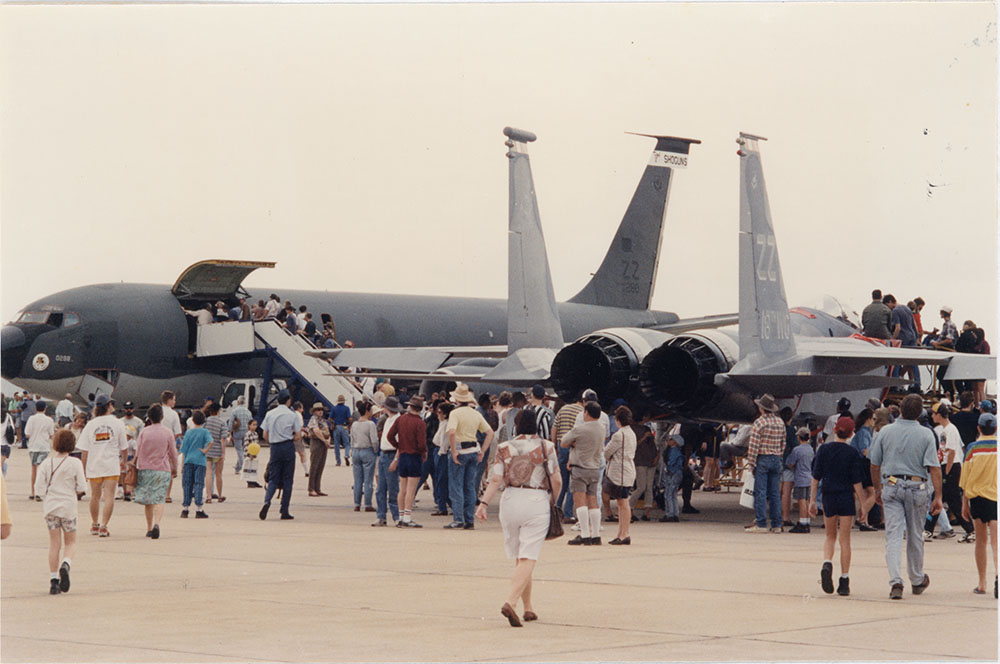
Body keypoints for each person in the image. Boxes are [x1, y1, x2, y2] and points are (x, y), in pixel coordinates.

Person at [475, 408, 561, 627]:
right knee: (529, 556)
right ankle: (510, 602)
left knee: (521, 557)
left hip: (510, 500)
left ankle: (528, 607)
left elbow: (495, 479)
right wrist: (553, 500)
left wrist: (484, 503)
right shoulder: (547, 447)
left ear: (516, 426)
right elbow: (557, 480)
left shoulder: (504, 448)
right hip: (536, 499)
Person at [869, 393, 943, 600]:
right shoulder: (927, 434)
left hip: (891, 484)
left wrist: (877, 489)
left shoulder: (885, 432)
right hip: (917, 486)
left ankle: (896, 581)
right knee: (915, 535)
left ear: (900, 410)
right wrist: (938, 496)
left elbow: (874, 464)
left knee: (892, 535)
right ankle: (917, 578)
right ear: (920, 413)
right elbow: (934, 468)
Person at [809, 416, 867, 596]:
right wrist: (863, 505)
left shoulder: (824, 450)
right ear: (851, 433)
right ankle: (844, 580)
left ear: (834, 429)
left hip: (828, 495)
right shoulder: (852, 453)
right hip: (845, 497)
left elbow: (815, 478)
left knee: (829, 536)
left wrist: (812, 500)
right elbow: (857, 482)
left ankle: (827, 563)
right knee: (845, 540)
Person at [34, 429, 87, 595]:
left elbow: (38, 489)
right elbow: (82, 487)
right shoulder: (75, 463)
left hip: (51, 507)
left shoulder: (46, 463)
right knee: (70, 542)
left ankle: (53, 580)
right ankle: (66, 563)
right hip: (68, 507)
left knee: (54, 543)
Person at [76, 395, 128, 538]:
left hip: (94, 464)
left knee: (95, 496)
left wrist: (84, 468)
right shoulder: (117, 423)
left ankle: (94, 524)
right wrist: (123, 461)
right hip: (111, 464)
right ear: (108, 406)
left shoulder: (91, 424)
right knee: (109, 496)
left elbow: (84, 450)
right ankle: (104, 526)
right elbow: (124, 447)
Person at [445, 384, 494, 530]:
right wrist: (483, 451)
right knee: (470, 486)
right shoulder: (476, 413)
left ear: (457, 399)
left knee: (456, 486)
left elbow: (452, 432)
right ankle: (469, 519)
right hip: (474, 450)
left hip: (460, 450)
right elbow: (490, 432)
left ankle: (458, 518)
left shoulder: (455, 413)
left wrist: (453, 451)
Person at [959, 412, 998, 597]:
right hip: (995, 495)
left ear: (979, 428)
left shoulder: (972, 449)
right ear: (996, 428)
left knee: (981, 542)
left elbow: (965, 479)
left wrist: (964, 503)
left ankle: (982, 582)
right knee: (996, 542)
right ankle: (998, 575)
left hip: (977, 497)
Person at [561, 401, 606, 545]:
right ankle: (596, 535)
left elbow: (563, 442)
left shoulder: (580, 428)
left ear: (586, 413)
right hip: (594, 468)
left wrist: (575, 443)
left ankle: (585, 534)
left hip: (580, 468)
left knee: (580, 502)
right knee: (593, 500)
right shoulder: (601, 428)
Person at [133, 404, 178, 539]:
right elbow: (173, 453)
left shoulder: (144, 432)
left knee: (148, 500)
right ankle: (157, 524)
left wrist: (136, 465)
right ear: (162, 417)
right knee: (159, 498)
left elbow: (138, 450)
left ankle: (148, 527)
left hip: (145, 468)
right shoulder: (168, 432)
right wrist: (175, 468)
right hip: (162, 469)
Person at [745, 394, 785, 533]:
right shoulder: (780, 422)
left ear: (761, 408)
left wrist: (751, 463)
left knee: (760, 492)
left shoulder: (759, 423)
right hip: (776, 458)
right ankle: (777, 524)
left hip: (762, 458)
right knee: (774, 493)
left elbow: (754, 445)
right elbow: (783, 443)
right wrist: (779, 455)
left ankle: (761, 523)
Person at [259, 390, 302, 521]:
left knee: (273, 477)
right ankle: (284, 510)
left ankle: (267, 501)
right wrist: (290, 438)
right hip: (287, 446)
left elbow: (265, 435)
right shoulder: (292, 415)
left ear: (278, 401)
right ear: (288, 401)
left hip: (275, 447)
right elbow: (298, 435)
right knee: (288, 479)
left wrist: (272, 442)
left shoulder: (270, 414)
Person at [387, 396, 428, 527]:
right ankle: (407, 517)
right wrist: (424, 452)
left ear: (410, 406)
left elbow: (390, 435)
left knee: (402, 489)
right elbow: (421, 443)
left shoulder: (401, 419)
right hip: (414, 456)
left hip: (403, 455)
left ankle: (400, 516)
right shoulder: (420, 423)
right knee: (411, 489)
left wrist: (398, 445)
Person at [604, 406, 636, 545]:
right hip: (628, 469)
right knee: (622, 502)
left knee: (622, 502)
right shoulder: (631, 433)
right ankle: (622, 533)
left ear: (618, 420)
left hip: (620, 472)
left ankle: (624, 533)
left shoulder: (619, 435)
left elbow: (607, 452)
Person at [552, 395, 583, 524]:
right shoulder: (581, 412)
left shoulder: (563, 409)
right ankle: (568, 513)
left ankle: (556, 510)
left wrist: (554, 445)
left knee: (562, 481)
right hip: (574, 447)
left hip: (561, 446)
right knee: (573, 483)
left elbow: (554, 429)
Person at [373, 396, 403, 527]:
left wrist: (396, 459)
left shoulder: (397, 421)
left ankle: (396, 516)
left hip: (391, 454)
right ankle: (381, 516)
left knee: (393, 488)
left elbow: (400, 442)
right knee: (381, 488)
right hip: (384, 453)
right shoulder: (387, 420)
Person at [178, 410, 211, 519]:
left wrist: (182, 464)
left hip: (189, 460)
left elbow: (184, 450)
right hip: (200, 461)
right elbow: (211, 441)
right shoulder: (205, 432)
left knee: (187, 484)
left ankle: (185, 508)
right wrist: (205, 450)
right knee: (199, 483)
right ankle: (199, 508)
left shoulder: (188, 432)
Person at [851, 408, 878, 530]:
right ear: (868, 419)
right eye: (873, 419)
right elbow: (865, 450)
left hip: (861, 463)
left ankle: (864, 521)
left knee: (866, 493)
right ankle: (862, 516)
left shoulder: (864, 432)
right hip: (864, 463)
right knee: (873, 492)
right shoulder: (864, 432)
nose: (875, 421)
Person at [629, 411, 658, 521]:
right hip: (640, 460)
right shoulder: (632, 429)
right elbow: (633, 445)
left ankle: (647, 511)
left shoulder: (647, 429)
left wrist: (656, 456)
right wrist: (643, 438)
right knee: (641, 487)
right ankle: (629, 506)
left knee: (649, 487)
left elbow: (652, 443)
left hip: (650, 460)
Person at [350, 401, 378, 512]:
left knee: (357, 480)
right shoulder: (370, 424)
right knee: (368, 480)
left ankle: (357, 504)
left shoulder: (354, 424)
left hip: (356, 450)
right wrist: (375, 450)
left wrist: (352, 450)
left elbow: (352, 439)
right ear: (367, 411)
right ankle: (367, 504)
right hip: (367, 450)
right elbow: (374, 440)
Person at [786, 427, 815, 533]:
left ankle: (802, 522)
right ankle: (807, 521)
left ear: (799, 437)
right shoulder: (810, 449)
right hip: (809, 477)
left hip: (800, 478)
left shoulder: (797, 450)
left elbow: (790, 463)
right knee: (807, 500)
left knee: (801, 501)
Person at [25, 400, 55, 501]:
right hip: (44, 447)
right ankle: (40, 492)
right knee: (41, 469)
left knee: (34, 470)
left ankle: (33, 492)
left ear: (35, 408)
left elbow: (27, 434)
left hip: (33, 446)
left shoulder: (31, 419)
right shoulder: (49, 420)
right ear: (45, 408)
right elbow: (51, 435)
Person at [160, 390, 183, 504]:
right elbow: (178, 432)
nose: (174, 402)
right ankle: (167, 495)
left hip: (155, 443)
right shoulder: (173, 414)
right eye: (173, 399)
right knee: (168, 470)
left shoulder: (156, 410)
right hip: (169, 444)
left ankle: (158, 492)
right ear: (169, 400)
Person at [202, 403, 228, 504]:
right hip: (218, 450)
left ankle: (208, 496)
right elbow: (223, 438)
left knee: (208, 473)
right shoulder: (222, 422)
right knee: (218, 474)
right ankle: (220, 495)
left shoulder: (206, 422)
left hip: (208, 450)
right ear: (218, 410)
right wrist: (223, 453)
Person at [306, 403, 331, 496]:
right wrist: (325, 440)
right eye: (318, 410)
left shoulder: (323, 420)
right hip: (316, 442)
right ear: (314, 411)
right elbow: (316, 431)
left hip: (323, 443)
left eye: (321, 410)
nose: (320, 411)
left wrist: (328, 440)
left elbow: (327, 431)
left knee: (321, 466)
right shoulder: (313, 419)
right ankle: (311, 488)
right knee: (314, 466)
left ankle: (317, 488)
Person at [659, 432, 684, 523]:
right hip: (678, 473)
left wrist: (668, 469)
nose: (669, 441)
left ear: (675, 442)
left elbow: (671, 462)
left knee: (668, 494)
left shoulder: (673, 451)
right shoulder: (679, 451)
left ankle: (669, 513)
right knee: (674, 495)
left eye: (671, 440)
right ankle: (675, 513)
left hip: (672, 473)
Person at [229, 396, 253, 475]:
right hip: (246, 432)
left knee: (239, 450)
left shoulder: (234, 411)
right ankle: (237, 467)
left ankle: (241, 464)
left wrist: (230, 432)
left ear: (238, 402)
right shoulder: (248, 411)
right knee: (243, 449)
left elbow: (230, 422)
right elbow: (251, 422)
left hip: (237, 432)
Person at [330, 394, 352, 466]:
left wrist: (333, 423)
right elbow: (350, 418)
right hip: (344, 426)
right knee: (347, 443)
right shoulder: (347, 408)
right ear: (344, 401)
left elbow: (330, 418)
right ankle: (346, 455)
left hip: (336, 427)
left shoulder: (334, 408)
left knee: (336, 444)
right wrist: (349, 424)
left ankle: (338, 461)